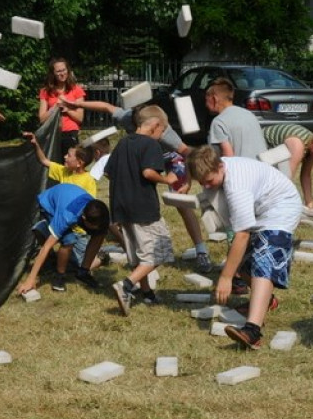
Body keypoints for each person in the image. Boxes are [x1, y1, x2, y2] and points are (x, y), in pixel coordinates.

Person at [65, 96, 214, 273]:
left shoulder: (165, 134)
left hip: (171, 158)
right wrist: (77, 104)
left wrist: (187, 182)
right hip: (145, 158)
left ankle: (201, 250)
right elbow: (106, 106)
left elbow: (188, 153)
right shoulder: (127, 117)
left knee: (181, 204)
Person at [187, 146, 302, 350]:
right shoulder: (216, 169)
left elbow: (241, 235)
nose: (206, 186)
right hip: (260, 208)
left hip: (281, 207)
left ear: (221, 166)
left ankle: (252, 332)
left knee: (263, 263)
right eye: (201, 182)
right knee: (244, 263)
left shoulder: (236, 186)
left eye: (209, 181)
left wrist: (225, 277)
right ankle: (267, 301)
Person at [105, 105, 177, 315]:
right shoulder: (151, 145)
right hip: (144, 208)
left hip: (121, 207)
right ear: (155, 126)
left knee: (140, 255)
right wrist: (166, 179)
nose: (162, 135)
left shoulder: (122, 143)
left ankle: (147, 294)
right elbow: (147, 172)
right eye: (162, 131)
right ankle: (126, 286)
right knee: (158, 252)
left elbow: (109, 173)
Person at [17, 184, 110, 294]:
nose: (97, 227)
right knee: (69, 240)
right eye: (94, 225)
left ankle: (83, 272)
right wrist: (30, 279)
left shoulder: (98, 211)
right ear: (84, 218)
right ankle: (59, 277)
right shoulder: (67, 216)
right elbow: (46, 247)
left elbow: (104, 228)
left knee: (100, 233)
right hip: (49, 205)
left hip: (69, 198)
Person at [262, 124, 313, 208]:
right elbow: (287, 177)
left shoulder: (311, 147)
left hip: (272, 154)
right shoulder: (298, 145)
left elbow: (306, 176)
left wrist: (309, 203)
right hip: (259, 143)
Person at [205, 77, 267, 159]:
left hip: (242, 170)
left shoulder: (219, 122)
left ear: (214, 99)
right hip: (264, 167)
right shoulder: (249, 114)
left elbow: (228, 157)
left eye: (206, 100)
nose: (205, 105)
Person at [38, 57, 85, 162]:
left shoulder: (76, 90)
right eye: (58, 71)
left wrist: (67, 109)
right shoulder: (45, 92)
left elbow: (80, 118)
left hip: (70, 134)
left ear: (68, 70)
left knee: (70, 165)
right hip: (52, 134)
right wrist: (55, 107)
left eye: (64, 70)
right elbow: (41, 119)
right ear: (53, 73)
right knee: (53, 167)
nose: (62, 73)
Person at [22, 131, 97, 196]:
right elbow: (44, 160)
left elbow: (90, 203)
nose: (65, 157)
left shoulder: (89, 181)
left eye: (69, 155)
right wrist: (36, 144)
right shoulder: (63, 171)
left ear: (79, 163)